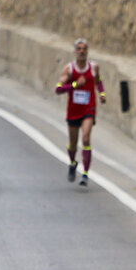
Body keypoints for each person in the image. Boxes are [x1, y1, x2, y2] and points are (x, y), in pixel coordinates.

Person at [54, 39, 106, 187]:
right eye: (79, 49)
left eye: (84, 49)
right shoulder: (69, 69)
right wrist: (76, 84)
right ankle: (73, 162)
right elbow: (58, 89)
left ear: (87, 51)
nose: (82, 51)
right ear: (75, 52)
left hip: (88, 109)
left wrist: (102, 93)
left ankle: (85, 174)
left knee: (86, 138)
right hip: (73, 111)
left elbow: (99, 81)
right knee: (72, 143)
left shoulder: (94, 67)